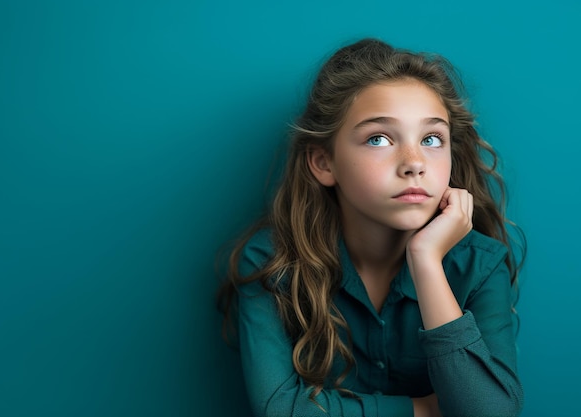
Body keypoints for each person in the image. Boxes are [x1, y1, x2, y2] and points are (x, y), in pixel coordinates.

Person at [217, 38, 525, 417]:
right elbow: (282, 409)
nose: (414, 163)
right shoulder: (270, 261)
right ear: (323, 163)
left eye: (431, 139)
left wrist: (426, 260)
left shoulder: (480, 265)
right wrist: (423, 411)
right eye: (378, 138)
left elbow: (490, 413)